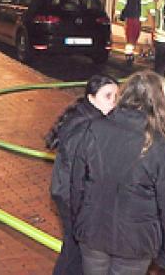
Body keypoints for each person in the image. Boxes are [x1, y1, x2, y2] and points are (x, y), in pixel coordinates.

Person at [70, 70, 165, 275]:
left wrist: (79, 221)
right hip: (135, 240)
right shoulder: (160, 144)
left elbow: (77, 182)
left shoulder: (95, 129)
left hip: (94, 231)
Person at [46, 74, 119, 275]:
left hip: (70, 196)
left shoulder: (84, 118)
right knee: (75, 254)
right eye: (108, 96)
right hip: (74, 199)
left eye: (116, 96)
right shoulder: (88, 127)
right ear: (91, 98)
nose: (113, 102)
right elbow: (84, 171)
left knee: (74, 251)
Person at [115, 0, 156, 65]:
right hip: (129, 16)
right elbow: (121, 1)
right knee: (129, 35)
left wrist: (153, 13)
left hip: (138, 16)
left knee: (135, 35)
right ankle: (129, 53)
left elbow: (149, 1)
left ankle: (130, 51)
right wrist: (118, 13)